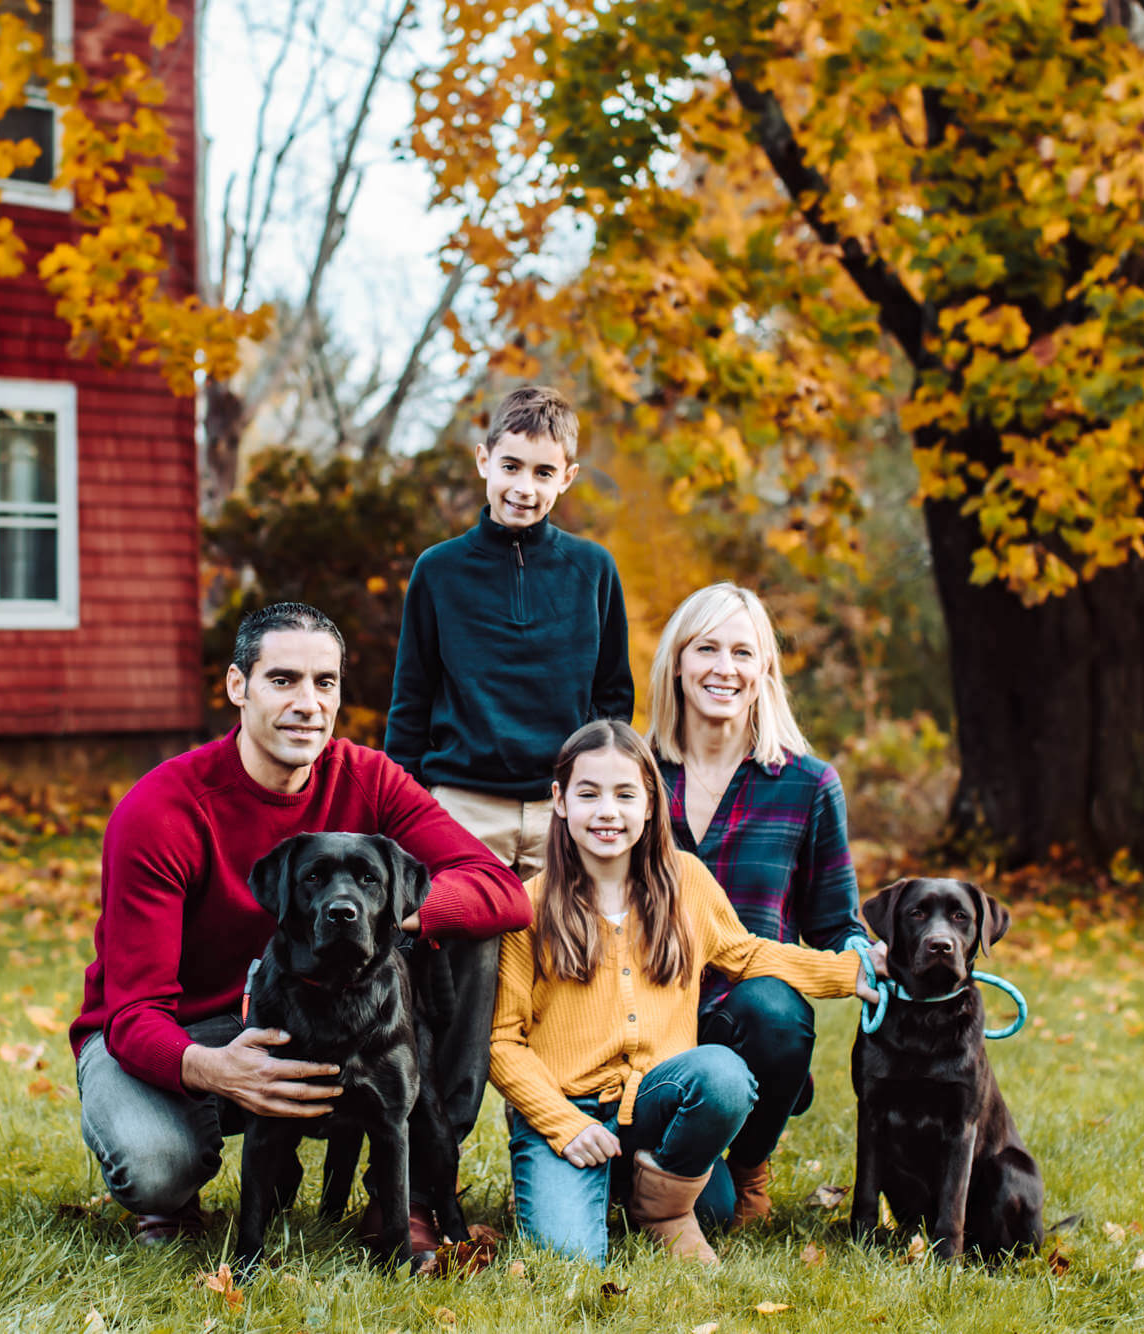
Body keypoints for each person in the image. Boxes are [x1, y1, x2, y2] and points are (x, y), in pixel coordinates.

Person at [69, 602, 531, 1248]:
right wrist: (214, 1067)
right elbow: (133, 1012)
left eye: (325, 683)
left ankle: (412, 1193)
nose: (308, 703)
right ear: (239, 687)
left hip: (321, 1012)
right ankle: (172, 1199)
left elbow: (501, 890)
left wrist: (384, 909)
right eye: (282, 680)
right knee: (156, 1164)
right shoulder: (162, 811)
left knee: (471, 929)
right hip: (184, 1031)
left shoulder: (367, 780)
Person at [488, 721, 887, 1266]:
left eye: (626, 794)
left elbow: (748, 954)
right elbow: (502, 1042)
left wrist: (850, 971)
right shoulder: (527, 907)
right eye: (589, 794)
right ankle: (582, 1177)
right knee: (568, 1258)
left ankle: (660, 1206)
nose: (608, 811)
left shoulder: (686, 882)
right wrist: (563, 1124)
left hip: (654, 1101)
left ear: (651, 803)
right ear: (559, 800)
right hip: (568, 1107)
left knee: (722, 1085)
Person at [646, 583, 868, 1228]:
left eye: (743, 651)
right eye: (706, 648)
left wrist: (865, 961)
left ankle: (749, 1164)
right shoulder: (635, 774)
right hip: (645, 1018)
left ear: (764, 667)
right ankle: (671, 1164)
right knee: (692, 1212)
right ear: (678, 662)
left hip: (746, 1018)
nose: (724, 667)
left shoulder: (807, 784)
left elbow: (833, 922)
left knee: (775, 1006)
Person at [385, 384, 635, 879]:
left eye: (544, 473)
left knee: (565, 953)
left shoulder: (593, 570)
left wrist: (594, 792)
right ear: (484, 461)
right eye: (511, 467)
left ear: (567, 477)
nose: (524, 487)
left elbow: (613, 699)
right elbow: (411, 700)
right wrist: (404, 809)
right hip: (462, 809)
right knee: (465, 956)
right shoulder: (438, 571)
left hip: (561, 809)